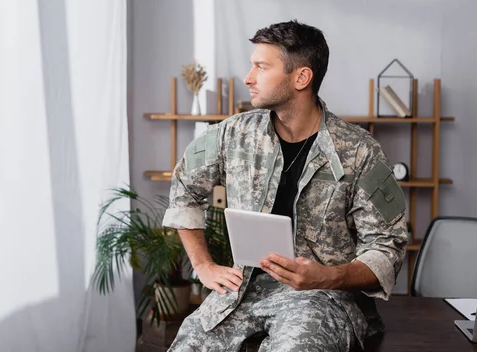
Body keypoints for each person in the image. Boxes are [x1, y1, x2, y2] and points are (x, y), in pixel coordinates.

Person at [162, 20, 408, 351]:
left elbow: (388, 246)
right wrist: (203, 266)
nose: (248, 78)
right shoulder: (232, 133)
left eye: (261, 67)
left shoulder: (360, 151)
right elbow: (184, 189)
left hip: (322, 299)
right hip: (243, 290)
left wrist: (328, 276)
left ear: (301, 78)